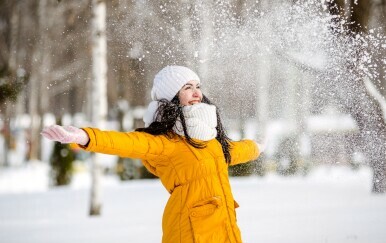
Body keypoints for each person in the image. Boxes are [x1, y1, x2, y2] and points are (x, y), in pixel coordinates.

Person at [42, 65, 264, 243]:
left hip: (224, 227)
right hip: (190, 230)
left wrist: (256, 147)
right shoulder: (166, 142)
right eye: (188, 87)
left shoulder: (209, 139)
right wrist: (84, 136)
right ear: (171, 96)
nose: (197, 93)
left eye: (197, 86)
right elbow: (126, 143)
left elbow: (233, 151)